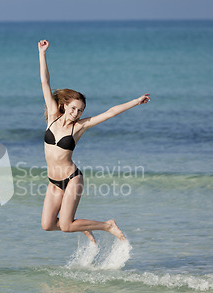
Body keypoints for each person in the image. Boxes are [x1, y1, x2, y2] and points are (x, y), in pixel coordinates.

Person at [38, 39, 150, 243]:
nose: (76, 113)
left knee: (65, 225)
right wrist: (42, 53)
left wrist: (136, 101)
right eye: (73, 108)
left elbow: (110, 113)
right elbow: (45, 82)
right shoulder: (53, 115)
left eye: (80, 110)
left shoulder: (79, 127)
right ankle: (80, 227)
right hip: (53, 182)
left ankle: (107, 225)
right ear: (64, 105)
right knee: (47, 225)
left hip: (72, 179)